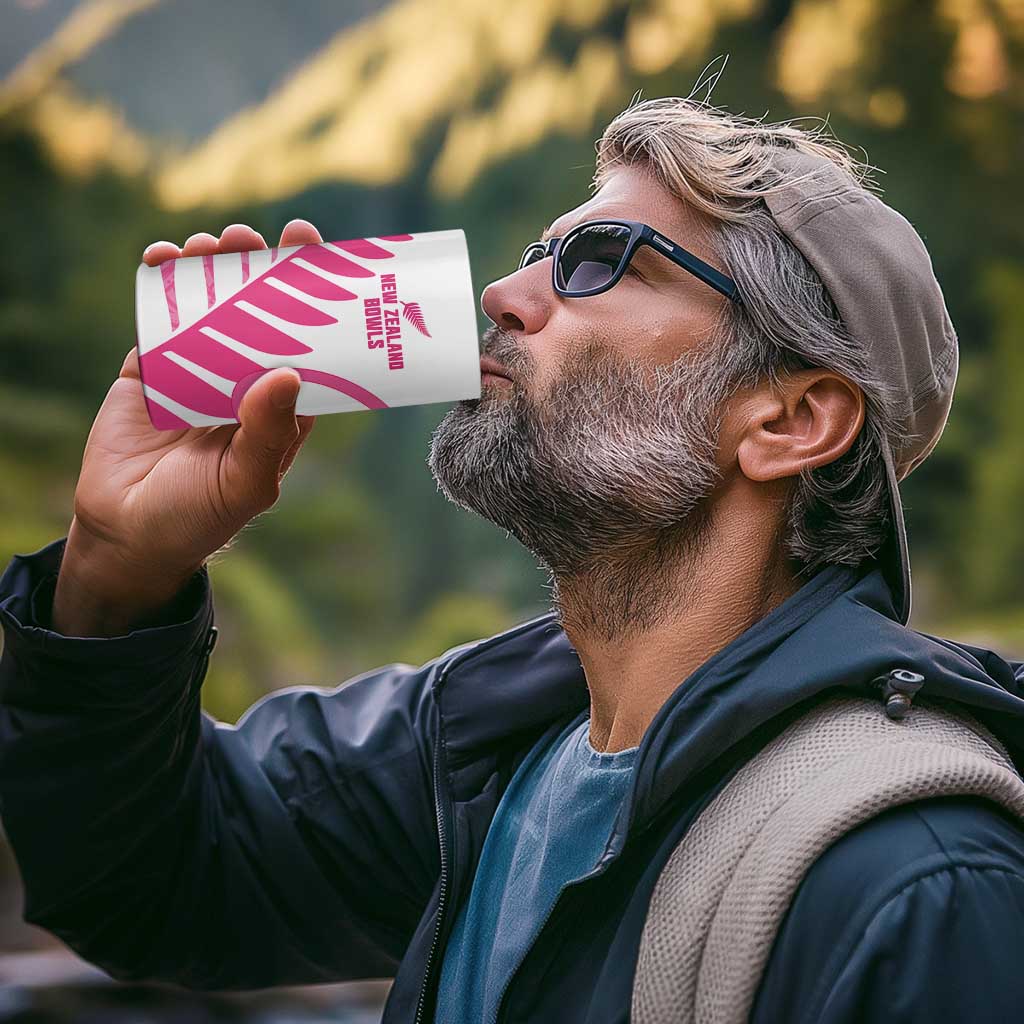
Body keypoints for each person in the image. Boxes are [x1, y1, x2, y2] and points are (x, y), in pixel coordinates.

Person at [2, 94, 1024, 1024]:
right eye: (540, 252)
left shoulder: (918, 884)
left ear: (790, 419)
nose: (503, 291)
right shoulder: (481, 749)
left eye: (600, 261)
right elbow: (149, 880)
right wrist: (115, 573)